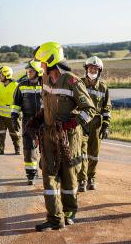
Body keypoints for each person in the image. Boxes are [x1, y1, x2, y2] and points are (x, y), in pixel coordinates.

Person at [26, 42, 96, 231]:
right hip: (48, 136)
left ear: (51, 60)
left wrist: (72, 123)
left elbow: (90, 110)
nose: (39, 66)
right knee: (49, 177)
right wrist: (38, 119)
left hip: (68, 138)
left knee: (68, 177)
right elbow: (45, 105)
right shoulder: (45, 80)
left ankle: (69, 211)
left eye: (41, 62)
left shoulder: (72, 81)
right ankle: (55, 218)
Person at [78, 56, 111, 192]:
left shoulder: (103, 88)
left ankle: (91, 178)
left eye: (95, 68)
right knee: (81, 153)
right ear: (86, 69)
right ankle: (82, 180)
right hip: (81, 123)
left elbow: (106, 109)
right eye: (90, 67)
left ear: (99, 70)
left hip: (96, 124)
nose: (93, 70)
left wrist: (106, 125)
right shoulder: (79, 84)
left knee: (94, 154)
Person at [11, 60, 43, 185]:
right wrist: (14, 117)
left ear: (38, 72)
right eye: (27, 71)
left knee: (47, 147)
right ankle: (31, 174)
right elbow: (16, 103)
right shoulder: (21, 85)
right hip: (28, 121)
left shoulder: (46, 84)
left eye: (31, 71)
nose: (28, 73)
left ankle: (45, 167)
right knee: (29, 148)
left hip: (44, 120)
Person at [0, 66, 20, 155]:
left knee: (14, 133)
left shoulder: (16, 85)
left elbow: (20, 101)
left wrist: (19, 114)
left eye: (2, 75)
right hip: (0, 114)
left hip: (12, 115)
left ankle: (17, 148)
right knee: (0, 133)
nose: (0, 77)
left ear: (7, 75)